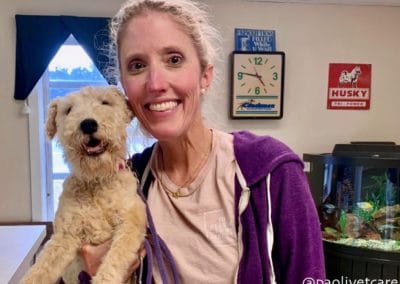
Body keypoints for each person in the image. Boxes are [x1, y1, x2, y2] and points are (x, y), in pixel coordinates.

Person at [79, 0, 326, 283]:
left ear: (205, 76)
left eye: (173, 59)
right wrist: (91, 273)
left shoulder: (272, 172)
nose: (155, 83)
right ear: (124, 87)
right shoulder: (126, 183)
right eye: (137, 65)